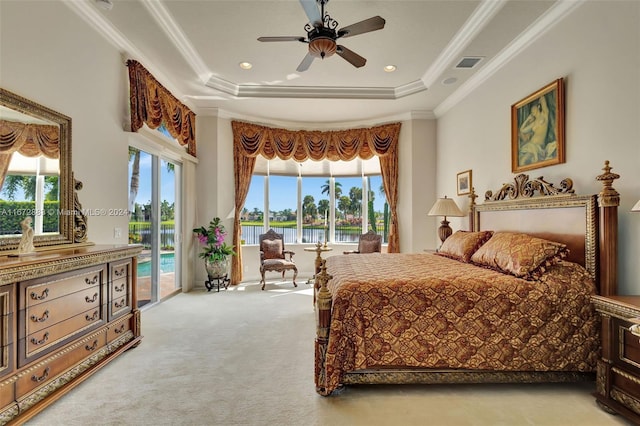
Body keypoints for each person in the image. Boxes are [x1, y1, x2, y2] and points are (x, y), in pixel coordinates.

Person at [518, 94, 556, 166]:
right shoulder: (534, 123)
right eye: (531, 111)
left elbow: (542, 97)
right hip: (531, 145)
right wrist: (528, 119)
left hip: (538, 146)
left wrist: (541, 97)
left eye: (533, 108)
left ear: (538, 107)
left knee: (523, 162)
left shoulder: (544, 114)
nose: (532, 110)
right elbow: (522, 130)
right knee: (522, 162)